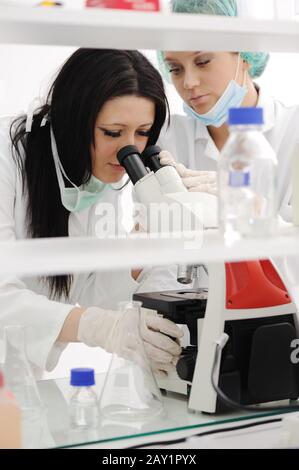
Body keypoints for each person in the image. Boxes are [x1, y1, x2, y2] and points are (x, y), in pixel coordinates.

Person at [0, 48, 183, 377]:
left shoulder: (94, 176)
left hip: (23, 382)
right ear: (74, 120)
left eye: (142, 133)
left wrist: (139, 256)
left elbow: (92, 290)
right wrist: (98, 327)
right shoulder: (6, 155)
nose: (128, 151)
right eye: (113, 133)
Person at [157, 0, 299, 223]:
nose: (188, 82)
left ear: (245, 54)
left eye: (203, 61)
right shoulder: (168, 139)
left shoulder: (294, 130)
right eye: (175, 69)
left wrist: (257, 213)